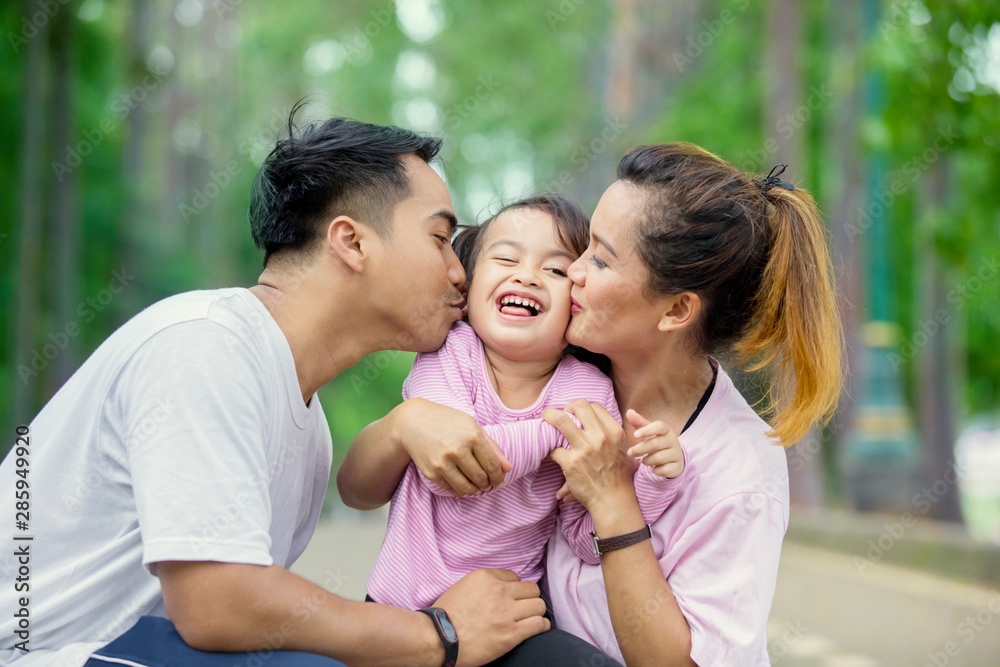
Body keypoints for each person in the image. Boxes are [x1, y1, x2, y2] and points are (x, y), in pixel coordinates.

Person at [0, 106, 555, 667]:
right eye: (440, 237)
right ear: (352, 243)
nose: (459, 271)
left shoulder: (306, 424)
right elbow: (218, 603)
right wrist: (438, 636)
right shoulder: (207, 347)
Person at [339, 144, 844, 666]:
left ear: (675, 310)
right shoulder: (556, 361)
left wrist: (618, 496)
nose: (570, 272)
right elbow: (384, 475)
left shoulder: (738, 469)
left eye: (598, 258)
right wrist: (407, 420)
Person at [344, 195, 685, 613]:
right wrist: (552, 431)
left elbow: (586, 539)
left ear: (578, 302)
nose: (527, 277)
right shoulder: (449, 352)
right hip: (400, 603)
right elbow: (453, 470)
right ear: (468, 287)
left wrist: (651, 480)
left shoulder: (591, 391)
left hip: (510, 613)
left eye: (556, 269)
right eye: (506, 260)